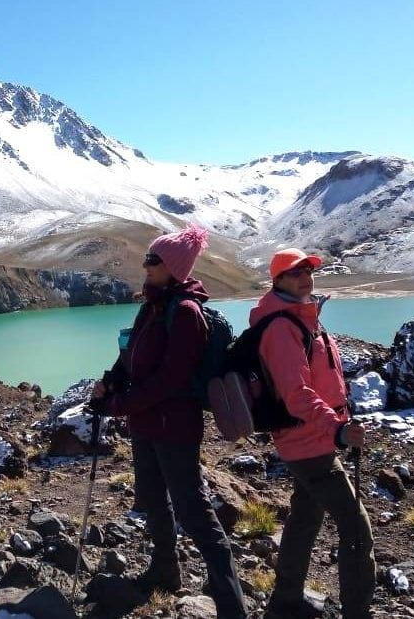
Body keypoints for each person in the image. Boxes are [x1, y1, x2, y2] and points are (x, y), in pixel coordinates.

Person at [90, 224, 247, 619]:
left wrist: (118, 405)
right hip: (145, 426)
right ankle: (165, 571)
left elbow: (170, 381)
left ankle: (231, 603)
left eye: (153, 260)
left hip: (174, 428)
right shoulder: (153, 306)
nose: (144, 265)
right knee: (154, 501)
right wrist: (111, 383)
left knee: (193, 509)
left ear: (173, 268)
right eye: (146, 258)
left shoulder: (186, 314)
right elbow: (131, 357)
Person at [253, 248, 376, 619]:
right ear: (278, 280)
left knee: (305, 519)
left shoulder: (304, 318)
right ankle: (357, 612)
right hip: (309, 441)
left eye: (308, 270)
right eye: (295, 273)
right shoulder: (281, 327)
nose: (305, 277)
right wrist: (337, 428)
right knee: (356, 528)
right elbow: (297, 394)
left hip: (315, 436)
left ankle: (285, 601)